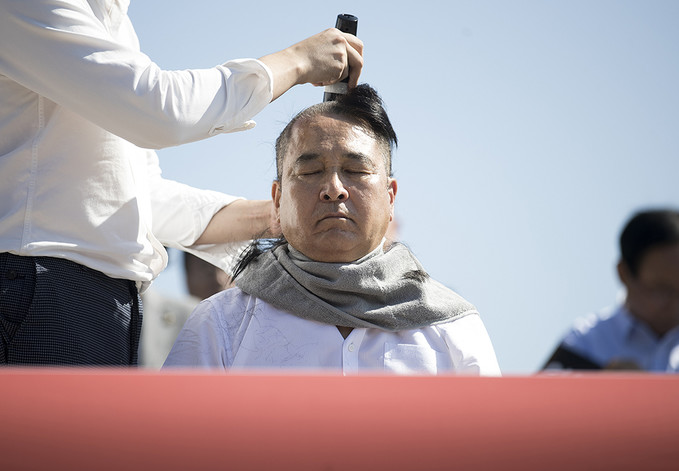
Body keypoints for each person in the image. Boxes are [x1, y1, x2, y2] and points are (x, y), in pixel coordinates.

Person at [0, 0, 364, 366]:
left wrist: (283, 213)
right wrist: (297, 61)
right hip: (38, 286)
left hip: (101, 302)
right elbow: (157, 108)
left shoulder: (116, 26)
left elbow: (143, 201)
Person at [164, 85, 501, 375]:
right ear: (277, 200)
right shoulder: (220, 324)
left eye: (356, 170)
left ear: (390, 197)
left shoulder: (452, 327)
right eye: (311, 172)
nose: (334, 189)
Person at [543, 209, 679, 372]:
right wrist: (603, 386)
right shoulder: (583, 345)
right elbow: (539, 389)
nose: (675, 303)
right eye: (661, 289)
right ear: (624, 274)